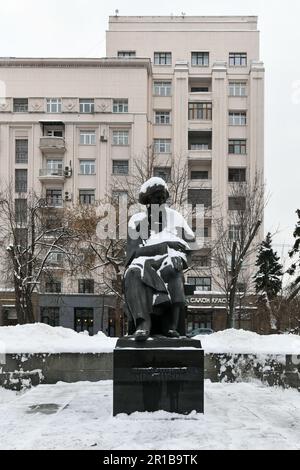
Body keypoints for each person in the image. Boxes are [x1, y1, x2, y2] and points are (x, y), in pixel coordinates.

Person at [124, 177, 194, 341]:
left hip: (167, 265)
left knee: (172, 271)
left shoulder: (175, 218)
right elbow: (133, 253)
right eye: (157, 198)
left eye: (163, 198)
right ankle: (143, 323)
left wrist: (180, 258)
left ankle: (170, 325)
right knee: (132, 273)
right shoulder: (136, 221)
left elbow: (189, 248)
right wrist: (164, 246)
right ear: (148, 201)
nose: (161, 202)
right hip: (142, 266)